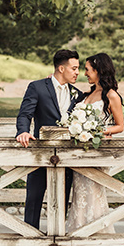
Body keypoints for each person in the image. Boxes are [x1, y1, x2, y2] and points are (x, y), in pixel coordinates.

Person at [16, 49, 84, 229]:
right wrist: (22, 131)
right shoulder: (37, 87)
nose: (77, 72)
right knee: (33, 199)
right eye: (74, 68)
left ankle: (56, 244)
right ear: (61, 68)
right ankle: (30, 245)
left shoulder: (78, 94)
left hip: (66, 157)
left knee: (62, 201)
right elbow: (25, 114)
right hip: (41, 154)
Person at [66, 52, 124, 235]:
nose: (85, 74)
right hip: (80, 153)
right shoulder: (87, 94)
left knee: (93, 194)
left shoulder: (111, 95)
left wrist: (99, 132)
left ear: (99, 71)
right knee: (79, 195)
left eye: (88, 70)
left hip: (97, 152)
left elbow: (120, 126)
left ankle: (97, 237)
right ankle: (77, 236)